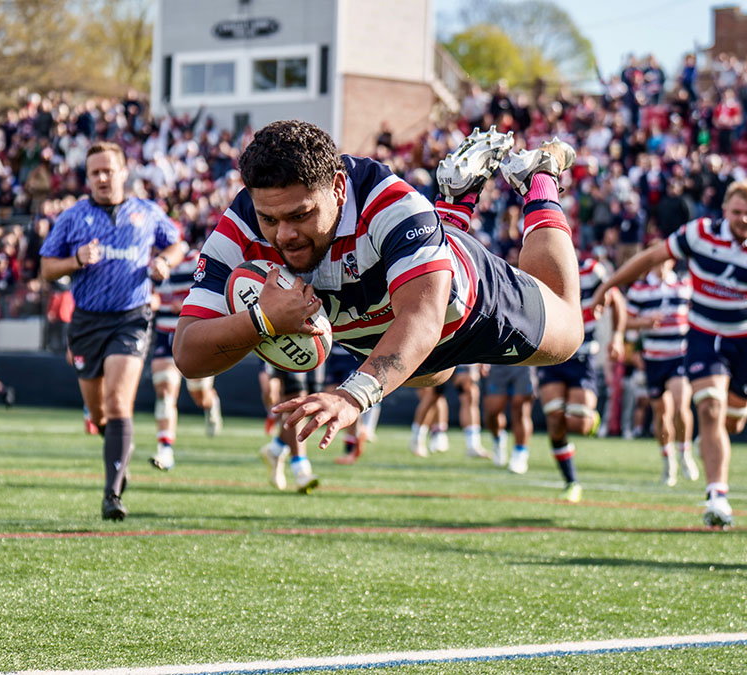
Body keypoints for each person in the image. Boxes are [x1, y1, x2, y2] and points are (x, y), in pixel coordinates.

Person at [173, 121, 585, 458]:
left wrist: (351, 397)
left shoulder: (388, 200)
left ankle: (538, 178)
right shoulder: (239, 228)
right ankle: (453, 205)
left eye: (300, 215)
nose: (284, 235)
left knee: (568, 333)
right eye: (269, 219)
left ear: (338, 188)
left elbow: (423, 317)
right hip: (393, 333)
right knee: (430, 376)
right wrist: (261, 320)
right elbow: (188, 354)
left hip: (461, 308)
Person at [591, 180, 747, 528]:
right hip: (704, 333)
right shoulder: (699, 233)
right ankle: (717, 496)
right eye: (737, 212)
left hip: (746, 339)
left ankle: (708, 442)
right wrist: (609, 285)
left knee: (734, 421)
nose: (743, 219)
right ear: (724, 211)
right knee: (709, 408)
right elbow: (652, 257)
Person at [39, 141, 185, 521]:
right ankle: (119, 452)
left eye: (108, 170)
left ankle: (112, 493)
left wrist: (164, 262)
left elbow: (177, 244)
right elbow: (47, 268)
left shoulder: (147, 212)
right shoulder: (73, 217)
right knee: (99, 413)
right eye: (95, 173)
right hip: (86, 322)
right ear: (87, 177)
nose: (102, 178)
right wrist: (75, 259)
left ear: (123, 172)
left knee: (120, 403)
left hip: (131, 318)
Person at [534, 256, 625, 502]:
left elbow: (616, 299)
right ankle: (571, 481)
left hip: (582, 357)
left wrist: (617, 337)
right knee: (554, 417)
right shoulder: (538, 264)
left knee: (578, 424)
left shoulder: (591, 269)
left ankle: (589, 419)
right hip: (551, 355)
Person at [616, 258, 698, 486]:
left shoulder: (683, 286)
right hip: (653, 358)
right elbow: (624, 321)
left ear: (671, 261)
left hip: (679, 356)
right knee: (661, 413)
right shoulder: (639, 290)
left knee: (681, 405)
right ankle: (668, 460)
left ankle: (685, 453)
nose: (661, 264)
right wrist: (643, 322)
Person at [148, 246, 224, 472]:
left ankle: (211, 403)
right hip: (165, 334)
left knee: (199, 394)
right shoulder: (149, 260)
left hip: (193, 334)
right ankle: (165, 449)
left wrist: (181, 305)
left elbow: (212, 293)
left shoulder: (195, 260)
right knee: (165, 390)